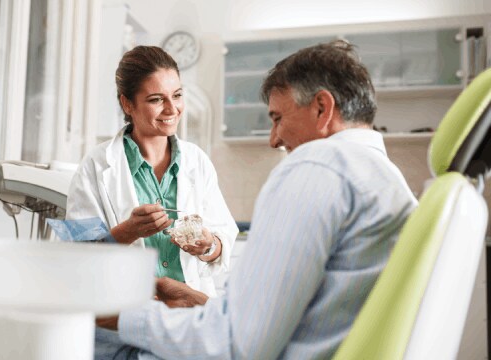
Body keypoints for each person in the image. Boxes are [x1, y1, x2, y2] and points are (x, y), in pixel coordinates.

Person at [97, 40, 418, 359]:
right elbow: (296, 319)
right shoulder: (387, 180)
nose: (273, 139)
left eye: (278, 118)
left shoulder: (317, 167)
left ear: (322, 108)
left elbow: (235, 345)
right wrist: (204, 305)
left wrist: (129, 316)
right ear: (128, 105)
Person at [66, 45, 238, 297]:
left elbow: (224, 239)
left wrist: (208, 244)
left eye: (177, 95)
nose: (172, 109)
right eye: (156, 99)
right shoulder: (95, 165)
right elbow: (76, 255)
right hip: (125, 311)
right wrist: (128, 231)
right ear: (127, 104)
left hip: (189, 312)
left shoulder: (197, 161)